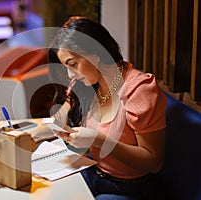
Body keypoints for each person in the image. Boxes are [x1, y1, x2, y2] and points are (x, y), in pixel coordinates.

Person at [46, 16, 167, 200]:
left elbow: (154, 162)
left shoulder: (139, 90)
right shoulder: (85, 84)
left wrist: (99, 140)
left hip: (132, 188)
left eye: (73, 64)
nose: (71, 74)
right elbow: (64, 110)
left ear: (95, 52)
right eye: (66, 68)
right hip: (95, 173)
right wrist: (59, 121)